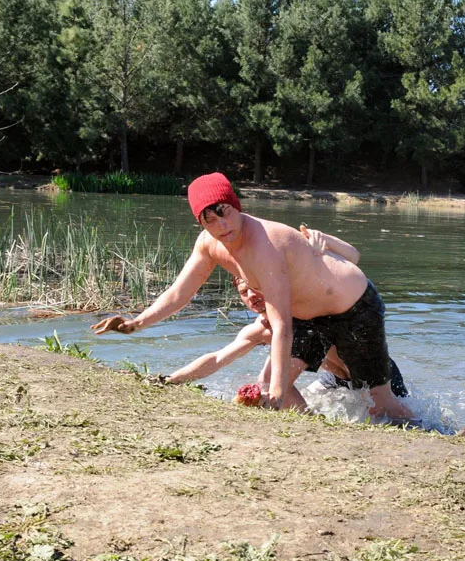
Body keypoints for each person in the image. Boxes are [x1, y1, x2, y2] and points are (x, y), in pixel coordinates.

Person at [92, 172, 412, 419]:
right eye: (210, 219)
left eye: (225, 212)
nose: (222, 225)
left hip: (355, 308)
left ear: (237, 206)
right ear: (200, 222)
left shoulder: (265, 244)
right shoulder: (208, 244)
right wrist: (136, 323)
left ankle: (432, 431)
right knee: (274, 379)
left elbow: (282, 325)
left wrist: (274, 397)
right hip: (308, 317)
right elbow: (179, 292)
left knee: (381, 403)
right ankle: (312, 421)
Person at [166, 272, 409, 408]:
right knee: (298, 394)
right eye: (243, 292)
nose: (251, 296)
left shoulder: (302, 317)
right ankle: (313, 422)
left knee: (393, 421)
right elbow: (218, 358)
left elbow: (274, 377)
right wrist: (170, 380)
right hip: (333, 380)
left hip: (375, 377)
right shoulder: (257, 330)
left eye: (254, 288)